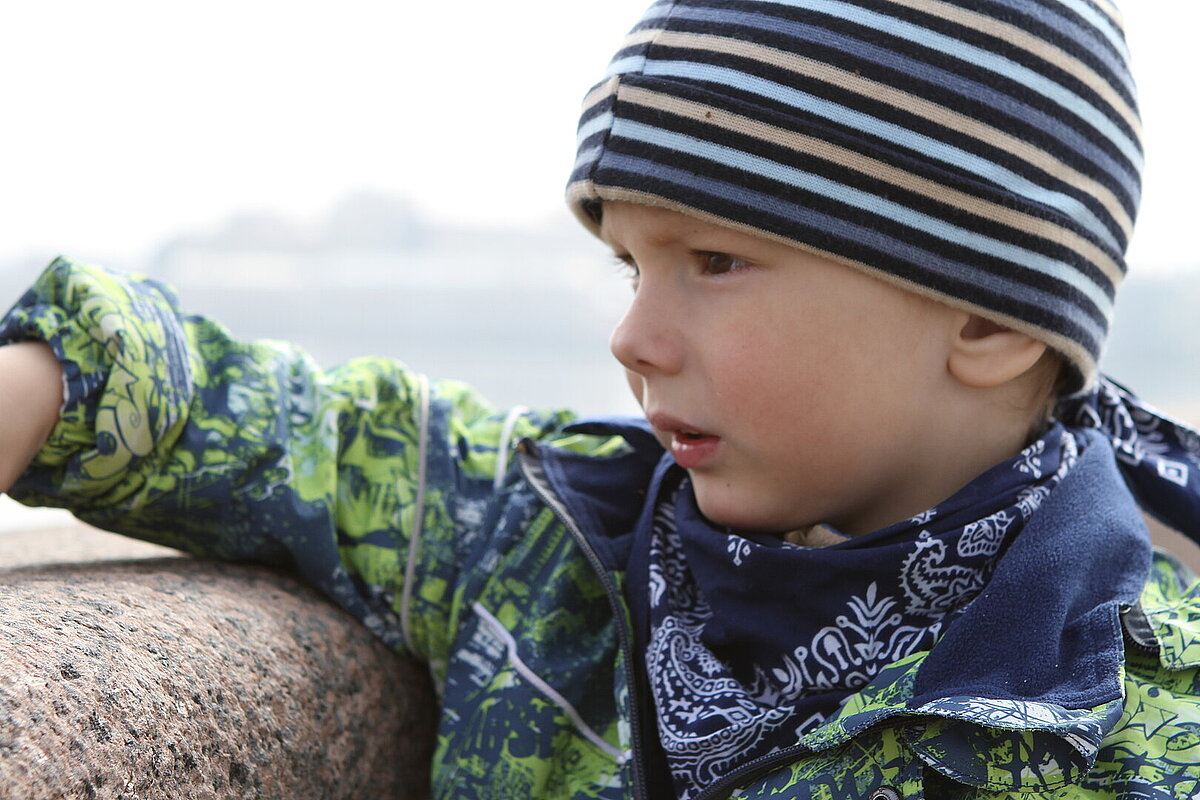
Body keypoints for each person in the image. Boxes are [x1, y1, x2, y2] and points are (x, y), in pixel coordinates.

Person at [2, 0, 1199, 797]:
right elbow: (298, 429)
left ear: (987, 318)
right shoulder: (562, 539)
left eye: (714, 262)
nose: (632, 338)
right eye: (632, 266)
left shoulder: (1131, 729)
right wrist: (46, 380)